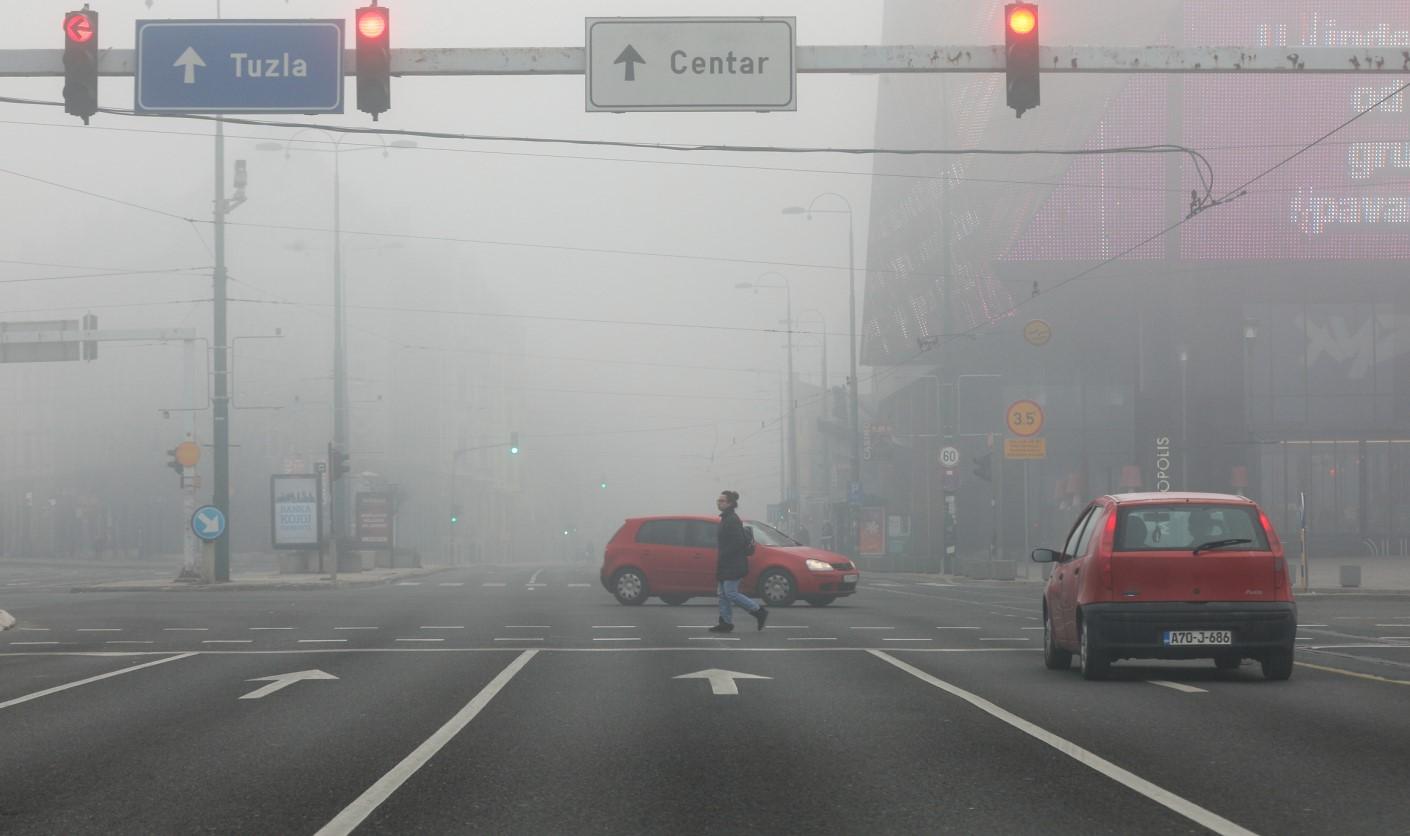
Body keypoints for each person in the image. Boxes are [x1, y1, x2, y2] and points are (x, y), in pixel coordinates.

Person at [711, 490, 768, 633]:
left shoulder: (732, 519)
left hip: (733, 563)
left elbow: (738, 542)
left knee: (730, 593)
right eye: (718, 500)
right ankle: (725, 623)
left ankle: (758, 611)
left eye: (722, 501)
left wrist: (725, 555)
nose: (719, 502)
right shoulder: (726, 518)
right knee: (723, 594)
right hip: (726, 563)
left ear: (730, 503)